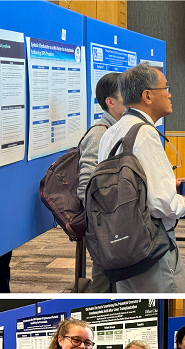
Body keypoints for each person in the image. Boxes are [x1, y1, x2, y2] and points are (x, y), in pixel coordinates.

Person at [97, 63, 185, 292]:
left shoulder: (111, 132)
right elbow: (161, 204)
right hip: (152, 248)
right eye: (166, 88)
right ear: (147, 96)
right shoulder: (144, 134)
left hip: (121, 246)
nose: (170, 93)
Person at [77, 72, 122, 292]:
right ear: (110, 102)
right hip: (104, 227)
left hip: (118, 223)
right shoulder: (99, 135)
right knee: (104, 285)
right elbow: (86, 186)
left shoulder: (120, 131)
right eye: (126, 95)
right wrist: (102, 224)